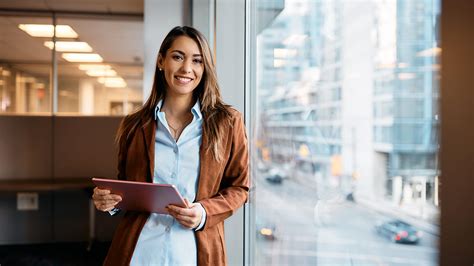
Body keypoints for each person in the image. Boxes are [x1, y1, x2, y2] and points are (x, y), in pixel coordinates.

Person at [92, 26, 249, 266]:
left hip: (196, 253)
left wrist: (204, 212)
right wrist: (109, 201)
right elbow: (126, 185)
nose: (187, 68)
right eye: (178, 57)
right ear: (161, 61)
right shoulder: (135, 126)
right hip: (140, 253)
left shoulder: (228, 122)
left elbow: (240, 188)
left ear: (204, 68)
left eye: (197, 61)